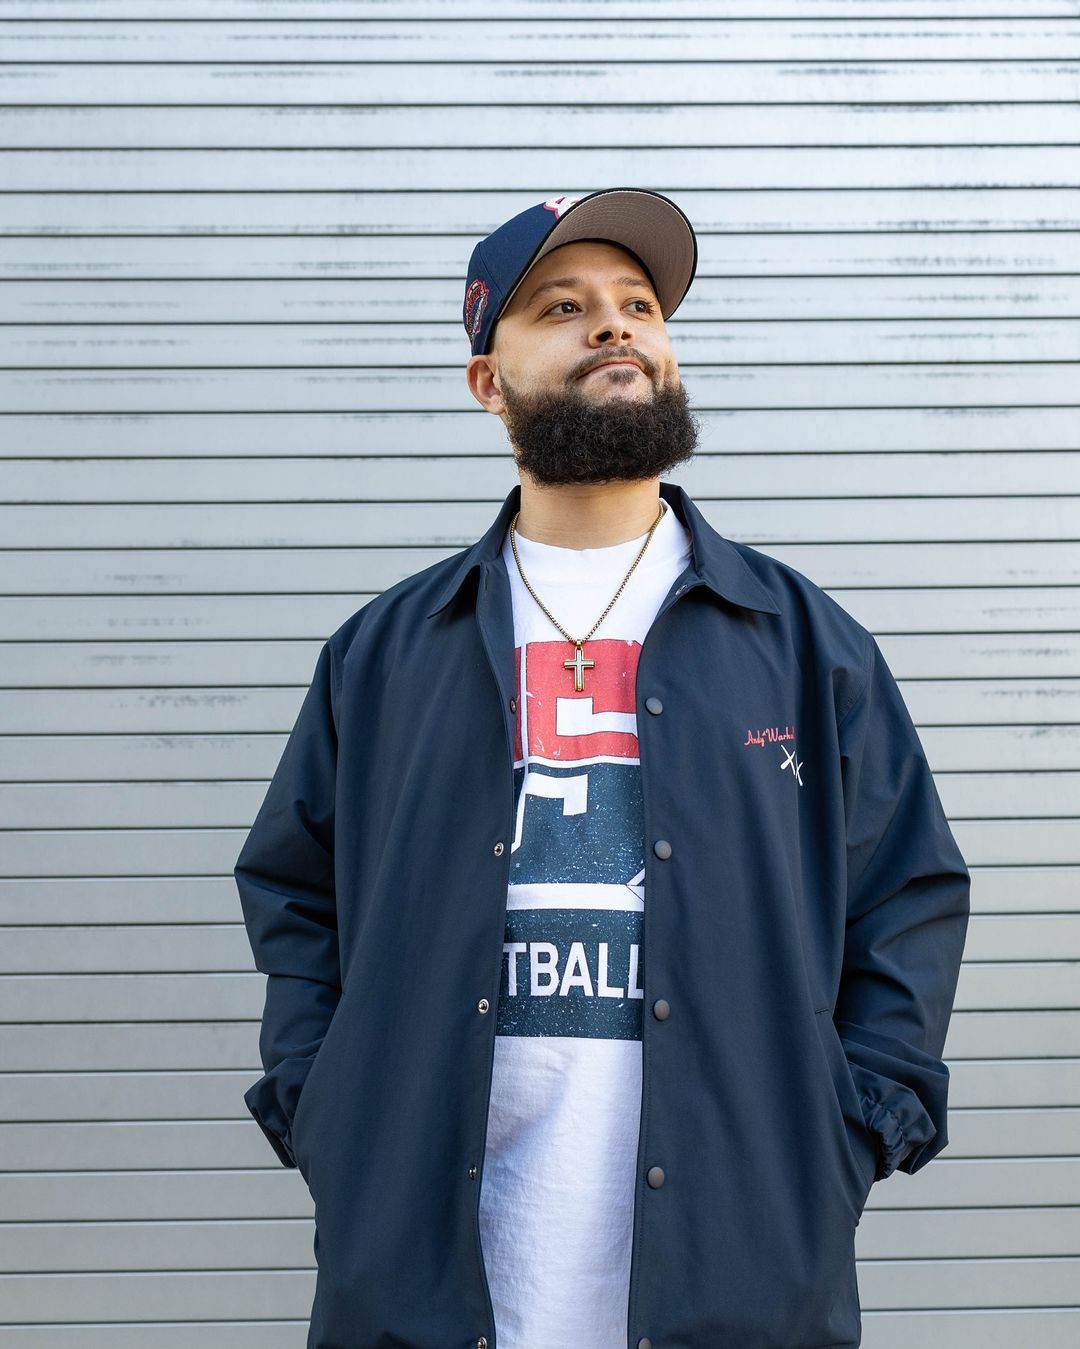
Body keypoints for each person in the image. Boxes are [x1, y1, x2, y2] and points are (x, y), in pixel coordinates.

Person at [236, 188, 971, 1349]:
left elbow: (908, 893)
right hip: (425, 1262)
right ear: (489, 378)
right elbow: (291, 890)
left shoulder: (799, 640)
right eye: (562, 307)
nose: (615, 326)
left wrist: (856, 1121)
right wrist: (327, 1105)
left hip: (743, 1255)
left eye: (638, 304)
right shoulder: (385, 651)